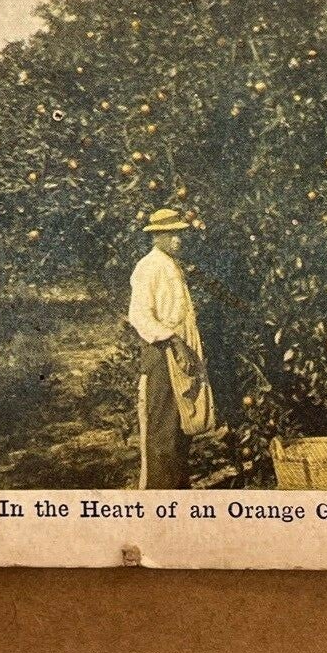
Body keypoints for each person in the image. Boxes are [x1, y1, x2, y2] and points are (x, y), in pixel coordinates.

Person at [127, 208, 217, 489]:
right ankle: (161, 494)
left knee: (182, 424)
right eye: (171, 234)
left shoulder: (172, 265)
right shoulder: (148, 267)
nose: (178, 240)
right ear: (156, 237)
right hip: (162, 352)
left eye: (180, 234)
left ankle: (179, 489)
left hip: (183, 349)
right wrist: (175, 342)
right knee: (163, 426)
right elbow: (140, 315)